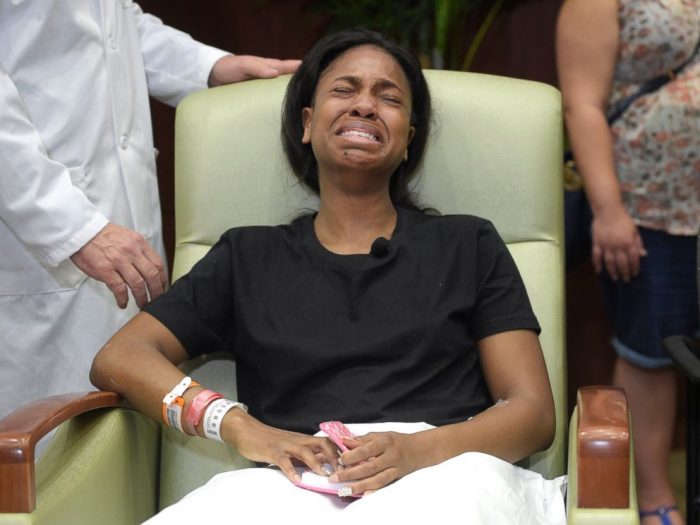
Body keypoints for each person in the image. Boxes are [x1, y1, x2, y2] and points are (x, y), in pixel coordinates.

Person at [90, 28, 566, 523]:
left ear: (408, 141)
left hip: (445, 475)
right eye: (344, 89)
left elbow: (532, 413)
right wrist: (239, 426)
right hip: (292, 487)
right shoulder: (248, 256)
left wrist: (416, 450)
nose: (364, 105)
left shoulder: (468, 244)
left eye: (389, 97)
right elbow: (121, 357)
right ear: (307, 123)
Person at [0, 1, 299, 422]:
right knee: (39, 455)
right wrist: (75, 227)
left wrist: (209, 66)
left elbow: (115, 27)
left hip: (113, 220)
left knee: (121, 442)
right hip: (34, 228)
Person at [557, 1, 700, 524]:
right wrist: (608, 209)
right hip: (649, 206)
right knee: (652, 351)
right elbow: (583, 105)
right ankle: (658, 499)